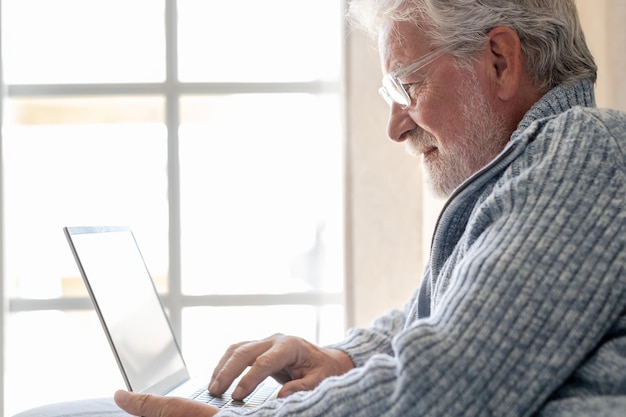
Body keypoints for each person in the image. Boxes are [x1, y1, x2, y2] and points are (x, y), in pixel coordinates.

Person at [14, 0, 626, 416]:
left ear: (499, 60)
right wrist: (341, 359)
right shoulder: (531, 174)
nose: (394, 126)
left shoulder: (582, 148)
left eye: (404, 87)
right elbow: (435, 322)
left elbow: (454, 380)